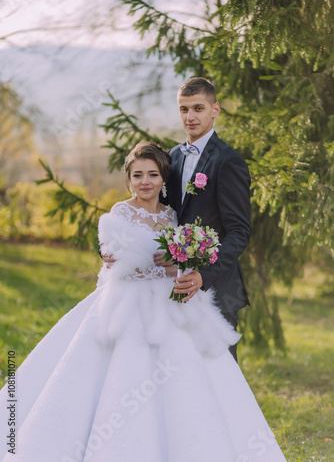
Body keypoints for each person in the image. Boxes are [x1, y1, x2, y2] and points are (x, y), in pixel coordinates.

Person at [0, 141, 287, 462]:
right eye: (138, 175)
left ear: (164, 180)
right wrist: (151, 263)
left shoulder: (172, 216)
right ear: (128, 180)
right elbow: (114, 261)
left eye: (152, 174)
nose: (145, 181)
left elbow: (181, 254)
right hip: (129, 303)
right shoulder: (120, 213)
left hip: (171, 301)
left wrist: (181, 262)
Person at [154, 77, 252, 361]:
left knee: (220, 373)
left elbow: (239, 231)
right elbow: (156, 214)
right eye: (184, 109)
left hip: (218, 288)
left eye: (198, 108)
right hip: (173, 287)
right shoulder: (172, 157)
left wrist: (203, 275)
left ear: (215, 109)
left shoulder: (228, 161)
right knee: (182, 373)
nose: (190, 116)